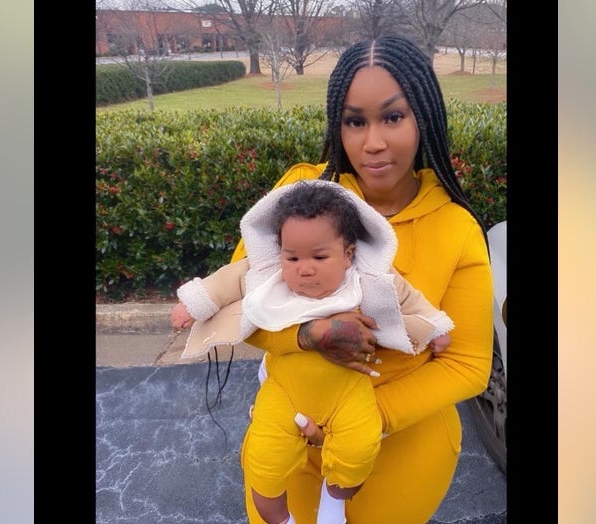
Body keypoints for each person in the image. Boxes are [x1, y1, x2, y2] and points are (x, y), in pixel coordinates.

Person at [229, 35, 494, 523]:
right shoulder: (302, 195)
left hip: (403, 440)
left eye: (392, 117)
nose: (372, 142)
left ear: (424, 118)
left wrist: (367, 419)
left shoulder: (455, 228)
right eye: (355, 121)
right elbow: (241, 307)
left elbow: (467, 364)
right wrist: (309, 336)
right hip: (292, 427)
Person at [171, 179, 454, 524]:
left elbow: (410, 300)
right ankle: (280, 519)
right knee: (264, 457)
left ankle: (335, 497)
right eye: (292, 257)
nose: (304, 268)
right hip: (285, 390)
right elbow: (226, 281)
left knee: (359, 449)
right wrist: (193, 304)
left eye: (319, 256)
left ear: (348, 253)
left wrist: (436, 327)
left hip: (348, 390)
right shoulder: (269, 278)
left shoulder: (367, 281)